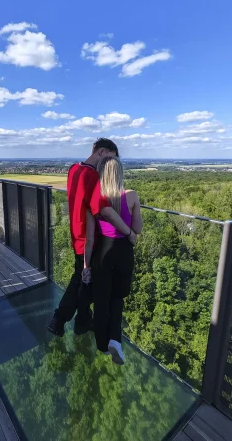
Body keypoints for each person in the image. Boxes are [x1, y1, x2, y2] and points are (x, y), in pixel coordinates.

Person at [47, 138, 136, 337]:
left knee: (85, 279)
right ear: (102, 152)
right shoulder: (93, 177)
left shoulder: (74, 169)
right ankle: (61, 319)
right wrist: (129, 233)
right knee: (82, 280)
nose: (109, 166)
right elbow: (104, 210)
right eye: (110, 160)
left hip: (77, 234)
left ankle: (81, 320)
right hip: (92, 238)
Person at [88, 156, 142, 365]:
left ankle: (102, 344)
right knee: (118, 297)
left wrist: (86, 263)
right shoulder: (132, 196)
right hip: (123, 252)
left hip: (103, 251)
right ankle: (115, 340)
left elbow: (91, 235)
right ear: (120, 173)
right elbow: (137, 229)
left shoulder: (96, 198)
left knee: (101, 299)